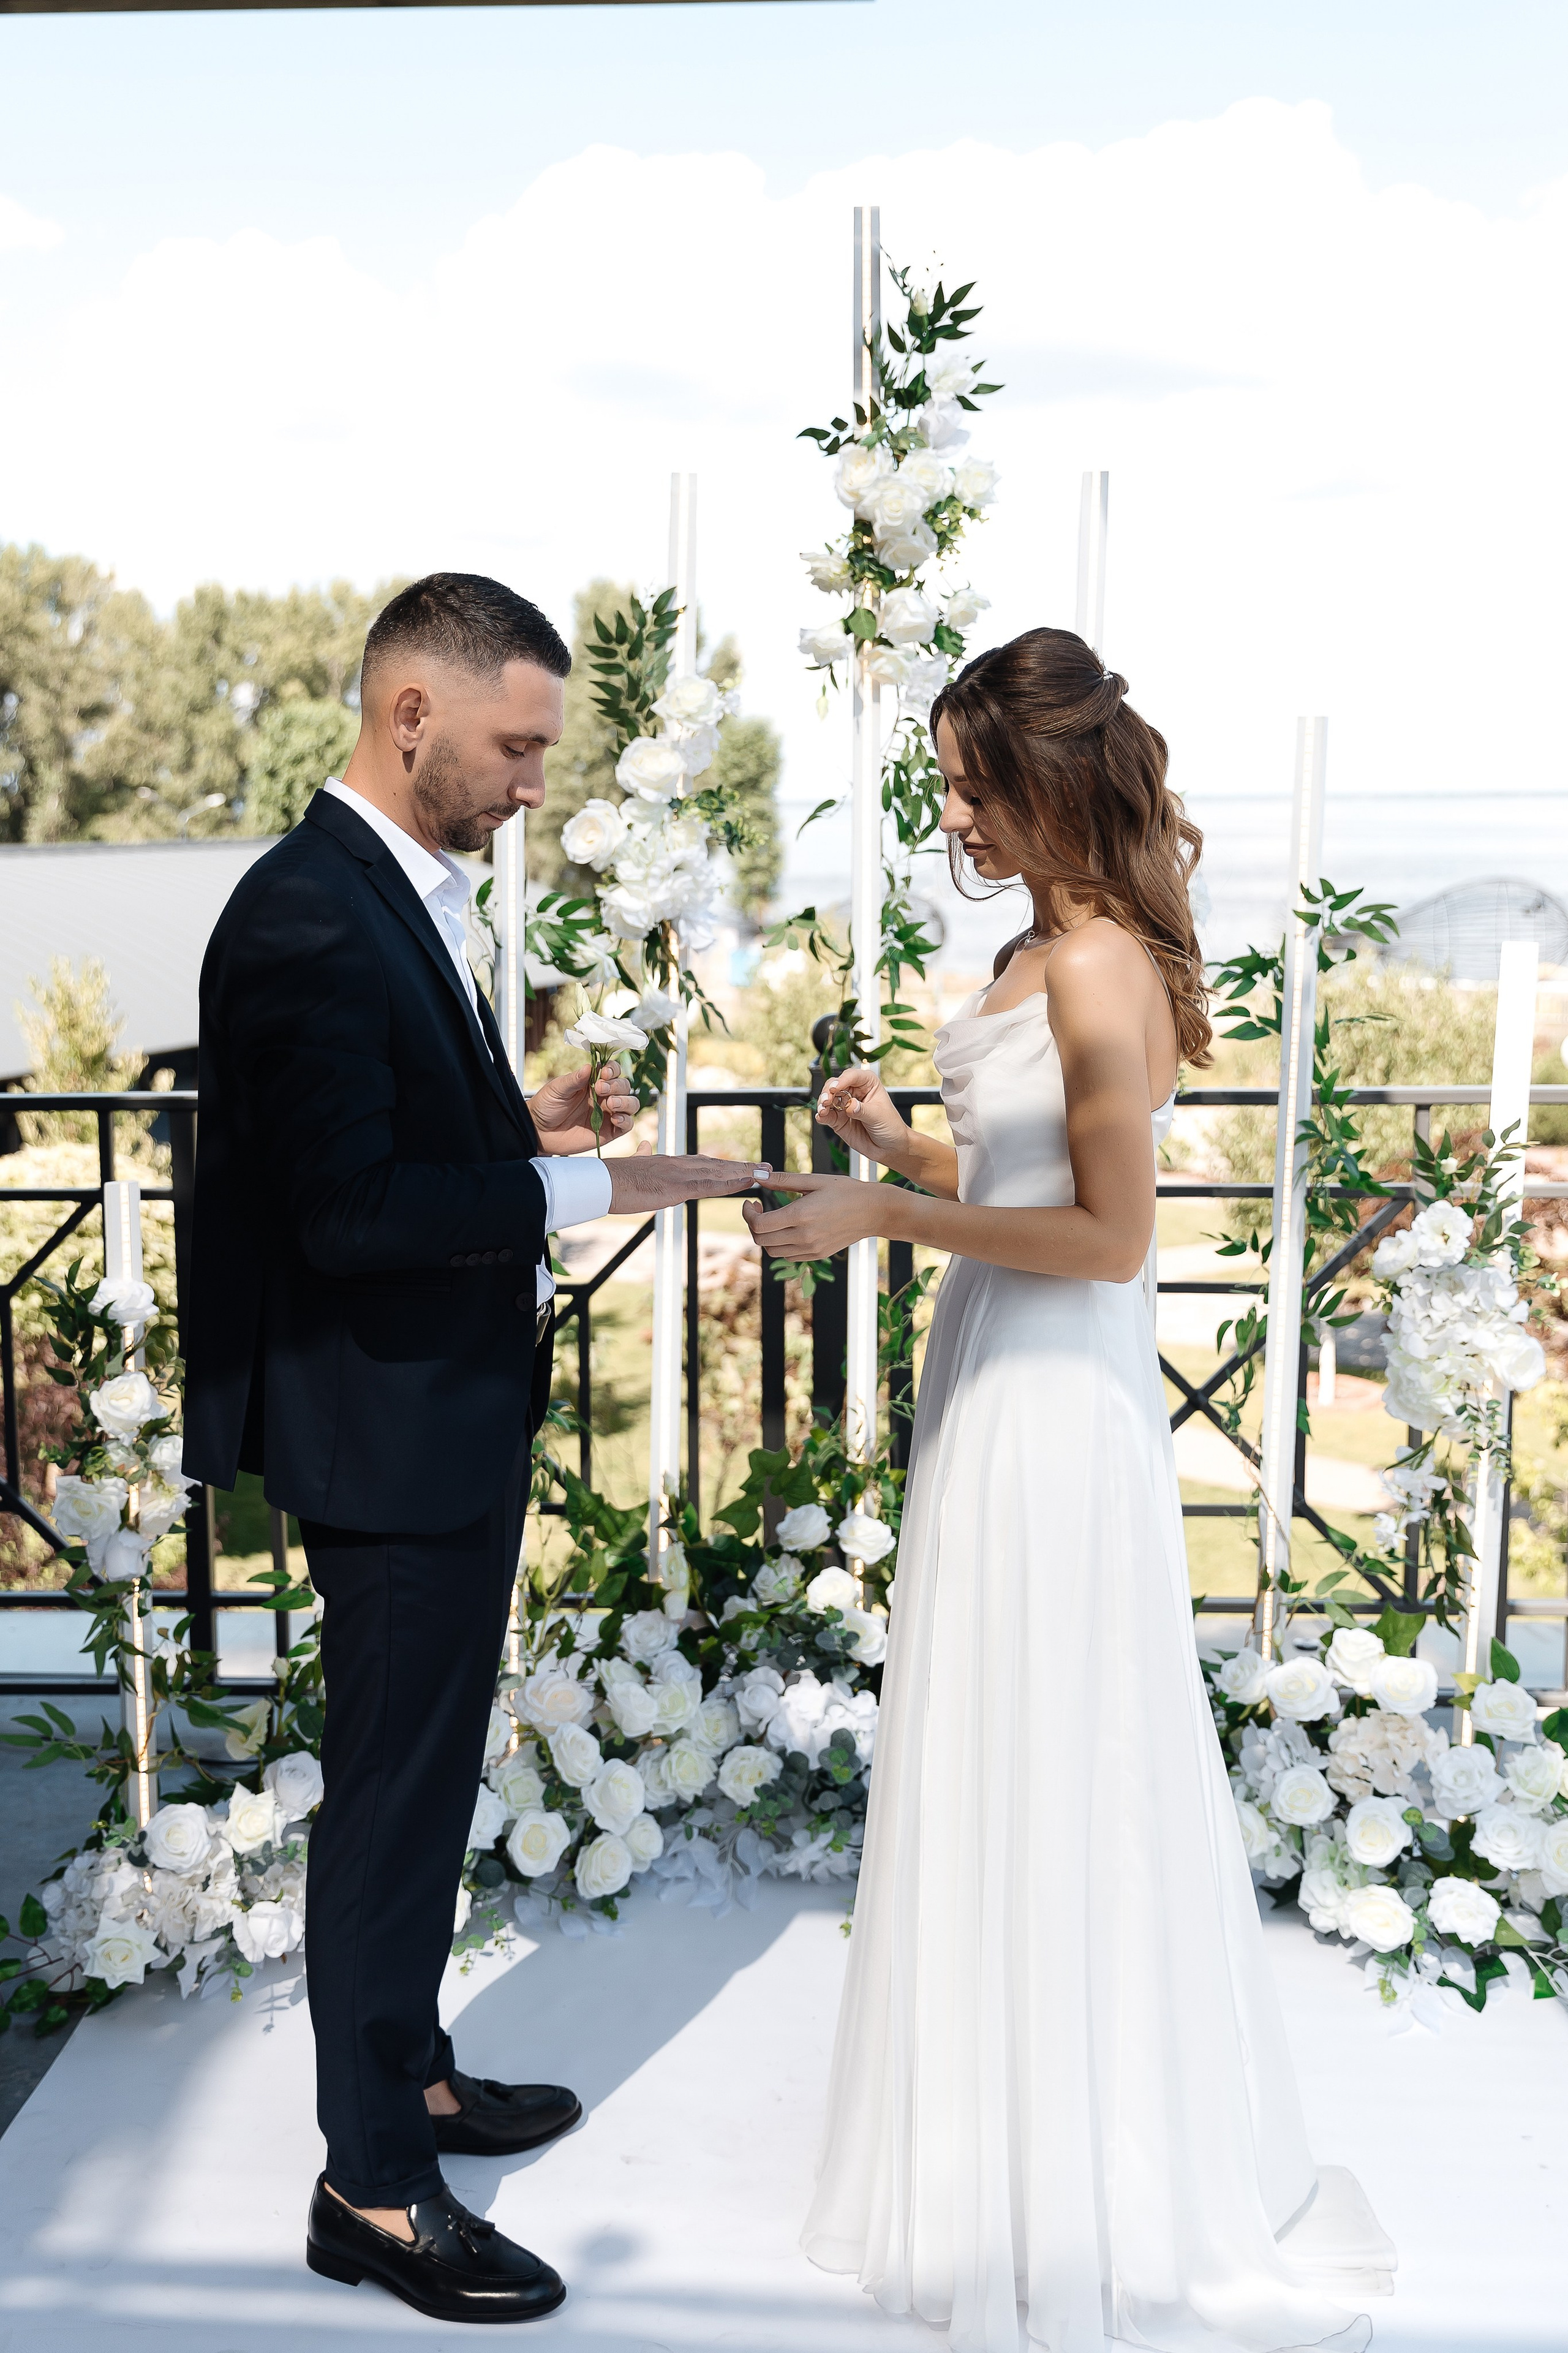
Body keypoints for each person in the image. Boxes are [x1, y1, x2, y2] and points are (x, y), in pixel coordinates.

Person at [747, 629, 1395, 2353]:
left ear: (1051, 776)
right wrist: (902, 1151)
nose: (953, 815)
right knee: (994, 1730)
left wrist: (889, 1218)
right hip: (994, 1371)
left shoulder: (1101, 965)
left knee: (1061, 1739)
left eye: (975, 784)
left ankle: (1080, 2163)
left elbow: (1110, 1241)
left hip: (1054, 1397)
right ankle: (998, 2147)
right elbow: (1026, 1179)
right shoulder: (1035, 945)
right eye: (948, 784)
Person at [184, 573, 766, 2325]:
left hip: (431, 1414)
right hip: (380, 1427)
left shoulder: (389, 890)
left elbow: (379, 1133)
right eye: (517, 748)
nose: (535, 783)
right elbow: (351, 1213)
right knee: (388, 1801)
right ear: (411, 713)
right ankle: (371, 2185)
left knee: (429, 1781)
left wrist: (522, 1126)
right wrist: (590, 1181)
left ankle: (414, 2073)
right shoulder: (307, 912)